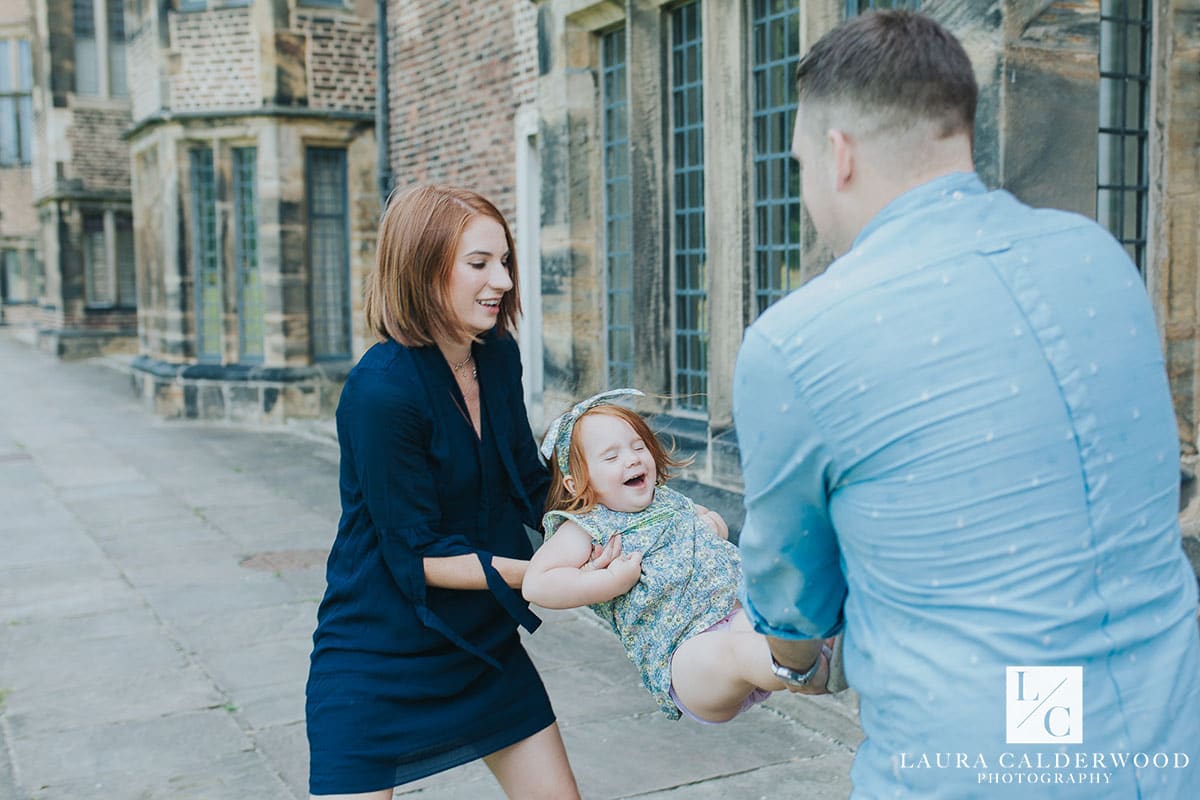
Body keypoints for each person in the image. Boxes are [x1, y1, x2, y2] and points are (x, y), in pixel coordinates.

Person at [733, 10, 1200, 799]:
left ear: (838, 155)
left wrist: (783, 658)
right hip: (1162, 748)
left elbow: (796, 613)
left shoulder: (795, 342)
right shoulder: (1100, 257)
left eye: (802, 165)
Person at [305, 185, 585, 799]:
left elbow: (528, 480)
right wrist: (544, 574)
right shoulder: (379, 393)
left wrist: (621, 515)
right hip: (377, 655)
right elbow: (420, 554)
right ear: (424, 269)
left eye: (505, 261)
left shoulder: (497, 357)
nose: (504, 281)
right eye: (480, 264)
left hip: (481, 646)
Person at [522, 390, 830, 723]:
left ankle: (819, 648)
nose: (632, 459)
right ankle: (806, 667)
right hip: (686, 654)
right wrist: (607, 580)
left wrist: (713, 524)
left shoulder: (667, 501)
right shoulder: (587, 526)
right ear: (574, 483)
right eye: (611, 457)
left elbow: (707, 519)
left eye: (638, 446)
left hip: (737, 610)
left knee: (767, 621)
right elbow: (537, 584)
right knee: (738, 652)